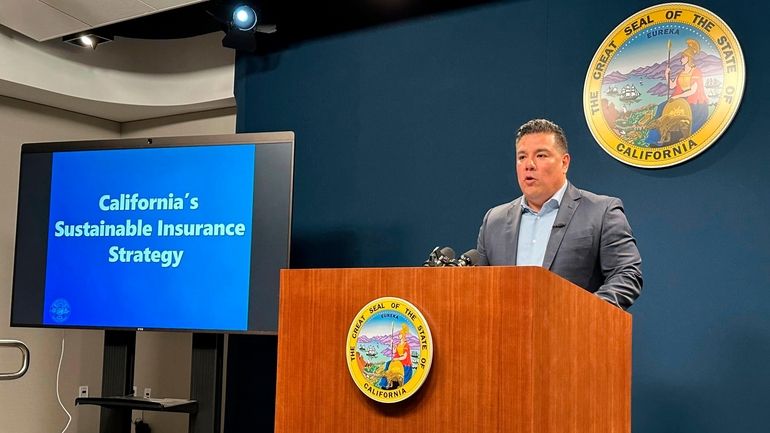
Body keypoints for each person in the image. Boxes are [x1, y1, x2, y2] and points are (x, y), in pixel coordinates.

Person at [476, 119, 642, 309]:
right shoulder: (494, 221)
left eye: (540, 155)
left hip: (575, 334)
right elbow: (480, 288)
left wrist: (582, 313)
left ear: (564, 163)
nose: (528, 165)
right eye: (522, 157)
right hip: (506, 335)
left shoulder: (601, 212)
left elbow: (626, 274)